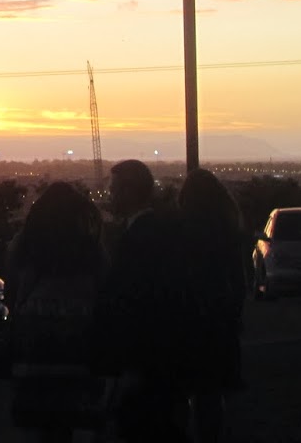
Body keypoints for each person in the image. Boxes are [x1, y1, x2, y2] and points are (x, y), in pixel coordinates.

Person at [0, 181, 110, 442]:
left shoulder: (23, 247)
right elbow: (104, 294)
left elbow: (11, 294)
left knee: (41, 424)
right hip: (78, 349)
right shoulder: (90, 250)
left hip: (33, 351)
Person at [92, 159, 191, 442]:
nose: (110, 196)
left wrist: (130, 362)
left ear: (129, 191)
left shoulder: (137, 238)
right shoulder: (159, 231)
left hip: (144, 359)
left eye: (113, 189)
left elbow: (135, 301)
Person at [177, 168, 247, 443]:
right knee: (211, 393)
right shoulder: (227, 230)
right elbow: (238, 281)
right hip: (218, 319)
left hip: (189, 317)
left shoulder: (182, 230)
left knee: (187, 389)